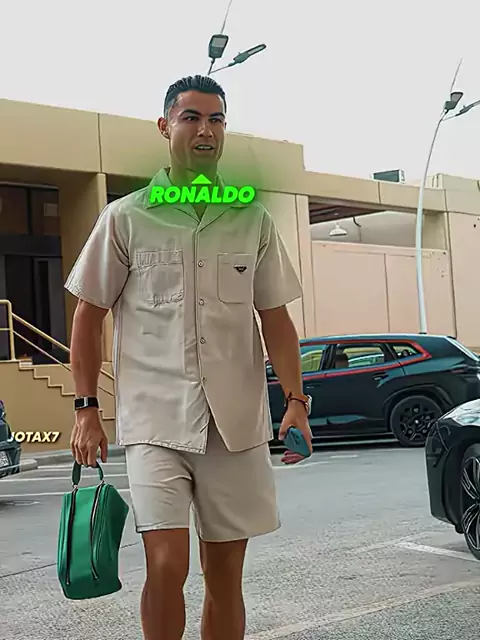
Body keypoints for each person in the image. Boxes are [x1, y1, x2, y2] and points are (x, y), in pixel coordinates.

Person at [66, 74, 313, 640]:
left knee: (225, 575)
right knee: (165, 563)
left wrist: (297, 401)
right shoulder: (126, 217)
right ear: (165, 126)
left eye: (216, 119)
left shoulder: (252, 219)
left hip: (235, 424)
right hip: (156, 420)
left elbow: (275, 318)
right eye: (192, 118)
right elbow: (88, 314)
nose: (206, 130)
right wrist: (85, 409)